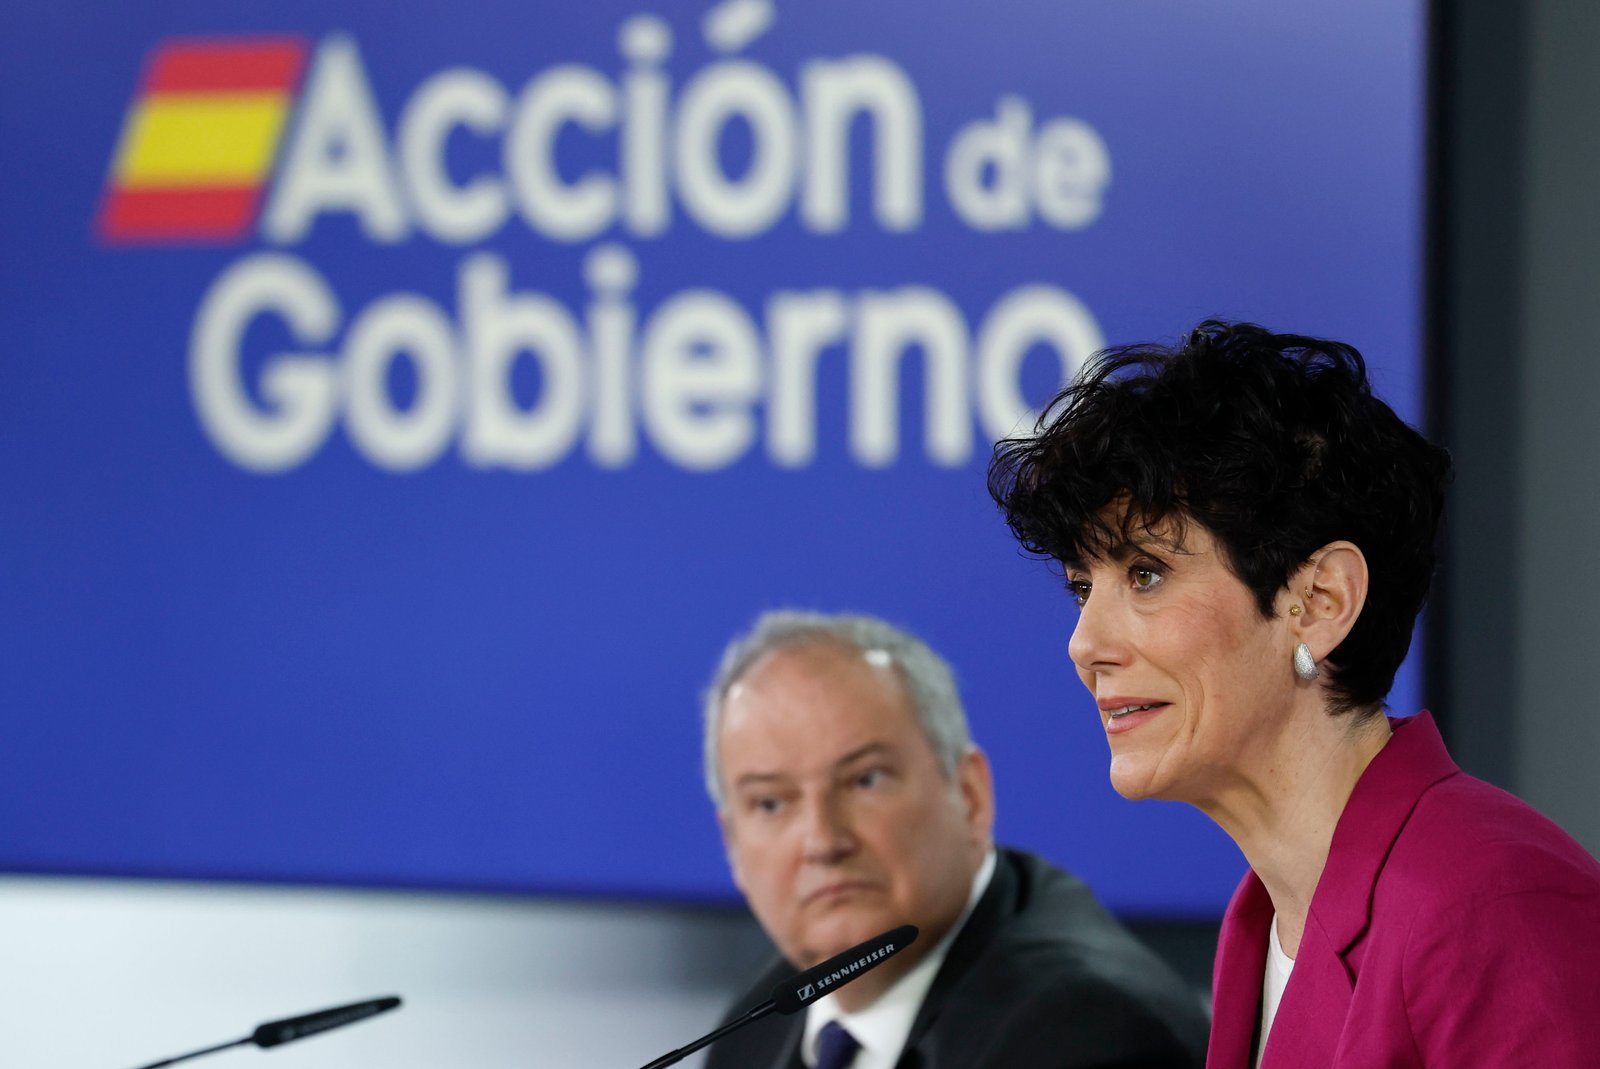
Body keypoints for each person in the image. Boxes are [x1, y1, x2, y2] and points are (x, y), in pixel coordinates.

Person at [988, 320, 1600, 1067]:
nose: (1084, 645)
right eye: (1084, 588)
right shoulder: (1259, 924)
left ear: (1319, 601)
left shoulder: (1492, 902)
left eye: (1145, 574)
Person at [699, 610, 1209, 1069]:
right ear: (732, 845)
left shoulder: (1090, 1034)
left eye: (865, 780)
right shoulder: (758, 1026)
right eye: (770, 803)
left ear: (969, 795)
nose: (822, 841)